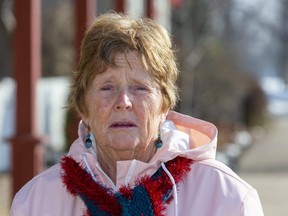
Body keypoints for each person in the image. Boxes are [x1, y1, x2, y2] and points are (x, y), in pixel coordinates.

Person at [10, 12, 263, 216]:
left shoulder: (229, 199)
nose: (123, 102)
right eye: (106, 87)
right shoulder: (33, 203)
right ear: (83, 106)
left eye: (140, 88)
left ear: (164, 105)